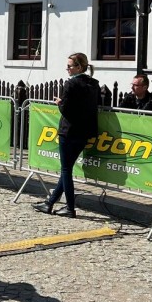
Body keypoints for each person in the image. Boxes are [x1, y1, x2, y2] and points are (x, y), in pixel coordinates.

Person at [33, 52, 100, 219]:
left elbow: (67, 109)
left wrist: (59, 103)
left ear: (79, 67)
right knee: (67, 169)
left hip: (69, 131)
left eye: (69, 66)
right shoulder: (93, 83)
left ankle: (70, 208)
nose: (67, 69)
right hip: (85, 131)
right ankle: (49, 203)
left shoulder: (71, 84)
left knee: (66, 170)